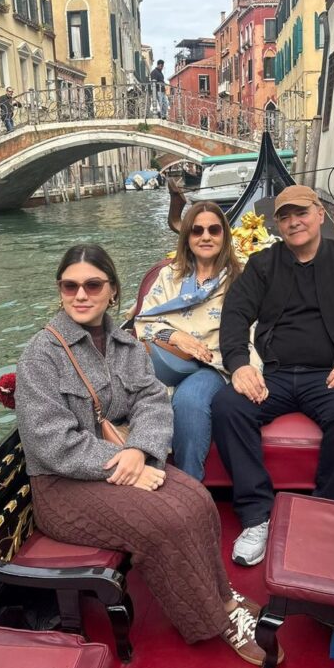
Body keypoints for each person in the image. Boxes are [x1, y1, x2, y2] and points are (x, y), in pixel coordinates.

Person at [16, 243, 279, 666]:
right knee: (165, 521)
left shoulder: (125, 345)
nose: (80, 295)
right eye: (70, 286)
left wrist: (140, 450)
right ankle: (214, 618)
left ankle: (220, 593)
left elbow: (153, 401)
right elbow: (50, 441)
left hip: (126, 461)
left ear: (112, 291)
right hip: (63, 488)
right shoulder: (40, 355)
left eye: (92, 285)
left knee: (197, 498)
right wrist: (124, 464)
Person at [212, 185, 334, 566]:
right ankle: (256, 515)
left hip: (330, 375)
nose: (293, 222)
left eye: (301, 213)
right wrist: (240, 364)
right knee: (228, 406)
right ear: (277, 225)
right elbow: (235, 315)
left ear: (320, 215)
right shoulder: (263, 266)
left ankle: (325, 509)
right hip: (276, 376)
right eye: (284, 216)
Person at [135, 202, 244, 481]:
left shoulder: (240, 278)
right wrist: (175, 336)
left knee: (189, 400)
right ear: (187, 237)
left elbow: (252, 328)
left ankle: (188, 488)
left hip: (214, 365)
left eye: (213, 230)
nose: (205, 237)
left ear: (224, 235)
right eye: (197, 230)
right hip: (167, 362)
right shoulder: (169, 276)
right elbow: (143, 321)